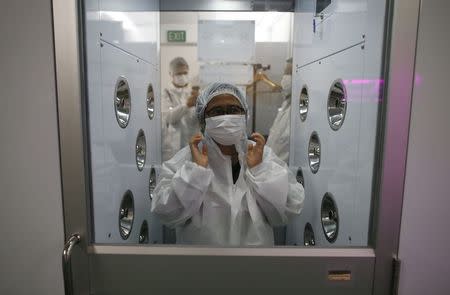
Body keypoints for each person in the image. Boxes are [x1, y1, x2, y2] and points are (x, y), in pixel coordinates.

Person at [151, 82, 304, 246]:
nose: (226, 116)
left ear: (245, 115)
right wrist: (195, 173)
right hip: (200, 264)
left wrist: (260, 170)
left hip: (256, 264)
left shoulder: (263, 155)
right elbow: (165, 213)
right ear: (203, 119)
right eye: (217, 112)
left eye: (233, 110)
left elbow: (289, 210)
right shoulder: (188, 158)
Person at [161, 57, 200, 161]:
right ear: (171, 74)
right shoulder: (166, 92)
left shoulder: (194, 91)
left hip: (193, 143)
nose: (182, 76)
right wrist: (187, 105)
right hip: (173, 147)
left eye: (185, 73)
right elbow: (168, 117)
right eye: (179, 74)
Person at [266, 58, 293, 163]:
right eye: (284, 73)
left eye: (289, 73)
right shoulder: (286, 104)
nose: (284, 78)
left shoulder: (297, 111)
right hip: (273, 168)